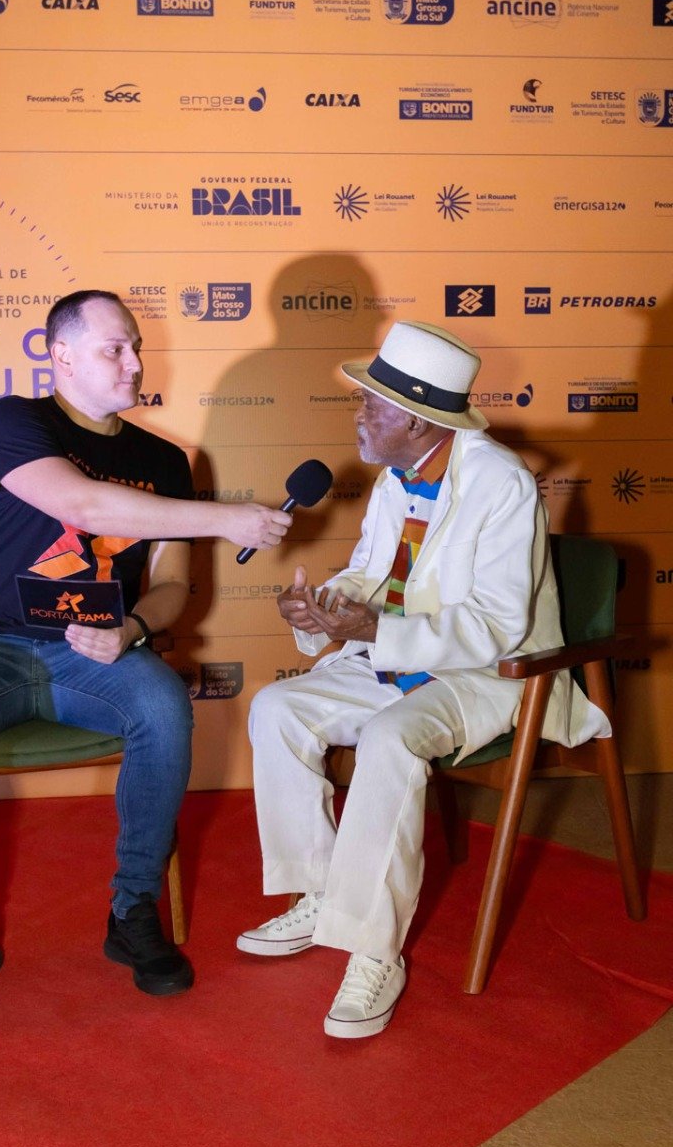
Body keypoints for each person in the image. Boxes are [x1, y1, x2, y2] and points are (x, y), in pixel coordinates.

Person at [0, 289, 291, 1019]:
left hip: (94, 651)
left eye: (136, 346)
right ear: (61, 355)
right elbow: (83, 506)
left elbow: (172, 585)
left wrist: (131, 629)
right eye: (115, 348)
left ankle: (133, 911)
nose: (135, 363)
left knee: (163, 709)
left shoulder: (164, 460)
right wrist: (226, 517)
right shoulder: (14, 421)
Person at [236, 321, 609, 1039]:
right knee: (278, 707)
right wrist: (322, 609)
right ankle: (323, 895)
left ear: (416, 420)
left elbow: (500, 625)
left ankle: (375, 950)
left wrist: (375, 628)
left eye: (370, 404)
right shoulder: (394, 477)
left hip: (489, 673)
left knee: (390, 737)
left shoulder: (500, 482)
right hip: (397, 659)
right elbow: (371, 573)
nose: (358, 415)